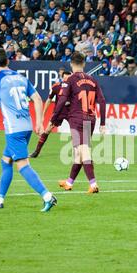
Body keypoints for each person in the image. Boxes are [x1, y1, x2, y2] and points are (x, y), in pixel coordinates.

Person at [0, 49, 57, 212]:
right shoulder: (21, 77)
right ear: (8, 62)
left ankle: (47, 196)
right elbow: (38, 98)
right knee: (6, 161)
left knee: (22, 165)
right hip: (27, 126)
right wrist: (39, 122)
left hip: (14, 129)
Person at [51, 52, 107, 193]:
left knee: (83, 151)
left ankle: (93, 184)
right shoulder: (92, 80)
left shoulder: (69, 80)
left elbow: (62, 100)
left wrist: (54, 117)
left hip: (77, 120)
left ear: (71, 64)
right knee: (78, 153)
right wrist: (103, 123)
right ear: (84, 64)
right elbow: (102, 101)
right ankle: (69, 182)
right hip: (90, 119)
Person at [30, 71, 72, 158]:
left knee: (75, 132)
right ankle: (36, 151)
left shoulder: (74, 87)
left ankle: (80, 154)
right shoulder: (56, 87)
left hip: (70, 112)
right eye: (65, 78)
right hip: (58, 112)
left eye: (69, 78)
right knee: (47, 130)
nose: (67, 79)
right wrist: (43, 115)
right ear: (62, 78)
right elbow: (49, 100)